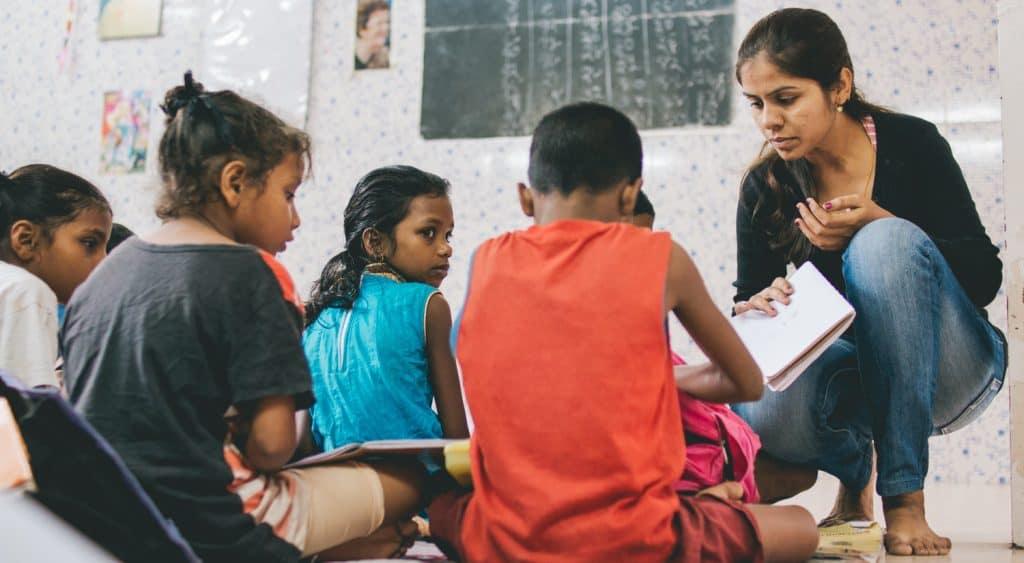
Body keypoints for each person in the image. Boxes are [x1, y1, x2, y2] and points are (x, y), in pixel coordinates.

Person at [429, 102, 818, 562]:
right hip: (634, 541)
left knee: (443, 510)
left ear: (525, 197)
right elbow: (746, 382)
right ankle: (697, 507)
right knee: (802, 528)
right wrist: (662, 377)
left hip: (506, 540)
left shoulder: (486, 260)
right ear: (632, 194)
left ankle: (695, 506)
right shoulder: (660, 257)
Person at [62, 72, 422, 562]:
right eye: (289, 194)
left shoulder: (105, 275)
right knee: (409, 478)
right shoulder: (250, 275)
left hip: (109, 518)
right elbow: (272, 447)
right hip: (215, 525)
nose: (294, 218)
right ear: (235, 183)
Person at [731, 8, 1006, 556]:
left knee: (884, 245)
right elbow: (750, 304)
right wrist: (757, 304)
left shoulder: (913, 145)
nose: (769, 120)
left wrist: (881, 222)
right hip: (848, 379)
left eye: (786, 99)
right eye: (757, 104)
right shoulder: (766, 186)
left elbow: (984, 277)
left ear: (840, 85)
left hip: (950, 362)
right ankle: (852, 467)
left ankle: (903, 500)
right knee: (759, 396)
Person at [303, 165, 469, 453]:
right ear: (375, 241)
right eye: (428, 233)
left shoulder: (318, 317)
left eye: (448, 235)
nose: (445, 248)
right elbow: (456, 440)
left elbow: (305, 440)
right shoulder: (428, 304)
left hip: (330, 477)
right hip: (416, 478)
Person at [0, 166, 111, 388]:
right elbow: (30, 410)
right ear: (26, 240)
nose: (105, 261)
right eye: (89, 243)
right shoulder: (26, 292)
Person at [355, 0, 390, 70]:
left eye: (388, 22)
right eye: (379, 23)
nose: (386, 28)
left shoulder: (385, 59)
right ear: (362, 29)